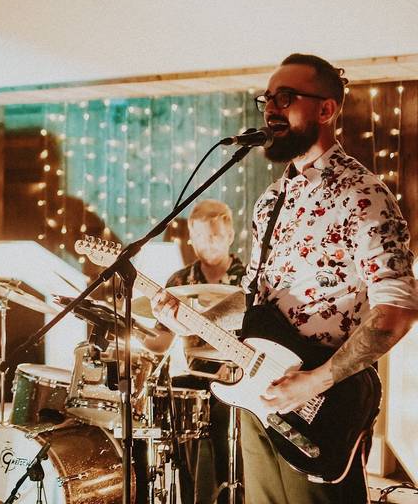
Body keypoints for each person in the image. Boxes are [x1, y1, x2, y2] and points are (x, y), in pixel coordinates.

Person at [153, 54, 418, 504]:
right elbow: (255, 301)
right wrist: (194, 319)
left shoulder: (363, 194)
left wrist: (312, 382)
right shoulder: (270, 200)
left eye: (286, 98)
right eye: (267, 99)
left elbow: (397, 310)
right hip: (260, 396)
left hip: (322, 404)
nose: (271, 109)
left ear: (326, 109)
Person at [143, 199, 246, 504]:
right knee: (180, 448)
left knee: (232, 457)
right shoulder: (178, 283)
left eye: (213, 236)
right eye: (199, 237)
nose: (206, 244)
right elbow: (160, 340)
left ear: (229, 235)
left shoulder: (248, 280)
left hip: (237, 381)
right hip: (190, 379)